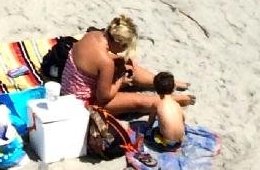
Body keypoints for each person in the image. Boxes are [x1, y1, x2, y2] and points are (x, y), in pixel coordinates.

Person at [58, 16, 193, 129]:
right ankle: (173, 100)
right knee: (137, 102)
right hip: (82, 102)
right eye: (125, 46)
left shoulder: (93, 35)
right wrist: (120, 81)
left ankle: (166, 84)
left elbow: (94, 58)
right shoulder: (106, 63)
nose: (124, 49)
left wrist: (120, 64)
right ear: (118, 42)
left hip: (71, 83)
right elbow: (103, 97)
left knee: (128, 67)